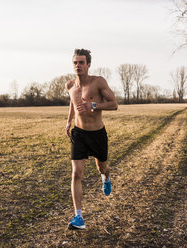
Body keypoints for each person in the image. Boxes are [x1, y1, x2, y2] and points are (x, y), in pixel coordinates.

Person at [65, 49, 118, 230]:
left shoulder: (98, 82)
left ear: (88, 65)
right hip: (79, 134)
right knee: (76, 173)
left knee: (101, 167)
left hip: (97, 134)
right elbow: (73, 105)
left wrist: (93, 105)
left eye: (81, 62)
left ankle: (106, 177)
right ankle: (78, 217)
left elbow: (114, 104)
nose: (78, 66)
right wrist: (68, 122)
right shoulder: (70, 86)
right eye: (75, 63)